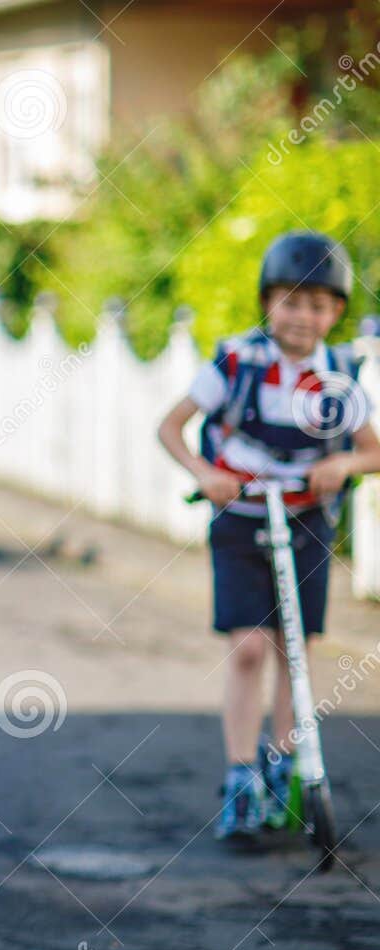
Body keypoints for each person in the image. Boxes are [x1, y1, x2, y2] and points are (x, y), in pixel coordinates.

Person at [156, 231, 380, 843]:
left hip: (305, 521)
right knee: (249, 648)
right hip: (241, 518)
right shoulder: (236, 361)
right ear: (268, 304)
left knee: (294, 652)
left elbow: (372, 452)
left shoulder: (337, 374)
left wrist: (342, 467)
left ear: (335, 313)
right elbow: (171, 427)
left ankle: (287, 769)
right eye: (291, 302)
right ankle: (239, 775)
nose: (303, 317)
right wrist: (207, 474)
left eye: (318, 306)